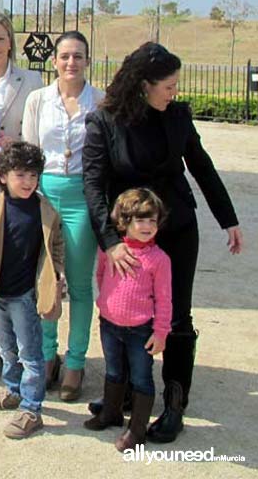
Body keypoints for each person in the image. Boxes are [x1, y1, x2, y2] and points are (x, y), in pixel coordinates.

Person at [83, 42, 242, 443]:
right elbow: (93, 184)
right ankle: (121, 397)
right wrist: (110, 242)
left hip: (176, 231)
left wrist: (229, 220)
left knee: (175, 317)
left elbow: (201, 166)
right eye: (167, 86)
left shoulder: (177, 116)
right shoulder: (104, 122)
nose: (174, 93)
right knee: (122, 316)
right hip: (126, 241)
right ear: (142, 85)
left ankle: (174, 404)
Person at [21, 30, 104, 401]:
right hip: (46, 193)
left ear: (88, 60)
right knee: (47, 280)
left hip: (83, 195)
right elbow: (29, 150)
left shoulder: (100, 101)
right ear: (54, 60)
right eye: (65, 56)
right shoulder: (38, 100)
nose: (71, 63)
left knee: (80, 282)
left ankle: (76, 360)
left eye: (79, 56)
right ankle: (47, 353)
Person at [0, 142, 64, 440]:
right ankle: (13, 390)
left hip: (25, 296)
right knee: (7, 349)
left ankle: (32, 407)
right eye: (20, 175)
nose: (28, 182)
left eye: (33, 175)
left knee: (30, 352)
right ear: (4, 176)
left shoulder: (45, 210)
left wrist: (55, 276)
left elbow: (56, 246)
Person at [84, 188, 172, 452]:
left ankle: (137, 430)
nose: (147, 226)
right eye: (140, 220)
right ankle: (111, 412)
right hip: (109, 324)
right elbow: (101, 277)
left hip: (140, 329)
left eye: (152, 220)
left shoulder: (159, 260)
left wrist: (161, 332)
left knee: (141, 378)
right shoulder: (109, 251)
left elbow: (165, 299)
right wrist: (106, 303)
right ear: (124, 222)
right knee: (113, 370)